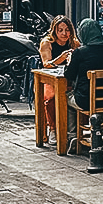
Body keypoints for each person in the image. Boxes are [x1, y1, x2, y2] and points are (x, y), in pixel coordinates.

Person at [62, 18, 103, 153]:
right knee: (100, 99)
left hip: (87, 100)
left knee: (66, 99)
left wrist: (70, 62)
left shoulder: (80, 52)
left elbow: (69, 75)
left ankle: (73, 136)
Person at [38, 15, 79, 144]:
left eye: (67, 30)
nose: (64, 33)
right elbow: (46, 63)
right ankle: (53, 129)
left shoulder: (74, 43)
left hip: (69, 78)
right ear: (54, 31)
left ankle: (73, 130)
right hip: (50, 79)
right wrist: (60, 59)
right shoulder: (47, 43)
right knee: (51, 98)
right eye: (60, 30)